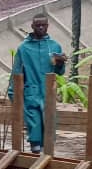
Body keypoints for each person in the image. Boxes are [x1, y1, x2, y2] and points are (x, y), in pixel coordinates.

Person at [7, 14, 67, 154]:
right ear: (32, 26)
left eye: (43, 25)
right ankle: (34, 157)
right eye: (38, 25)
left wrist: (60, 62)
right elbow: (16, 72)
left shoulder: (54, 46)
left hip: (48, 93)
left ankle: (47, 159)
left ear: (47, 26)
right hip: (31, 93)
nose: (41, 27)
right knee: (34, 126)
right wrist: (13, 92)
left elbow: (60, 72)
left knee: (49, 125)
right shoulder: (24, 48)